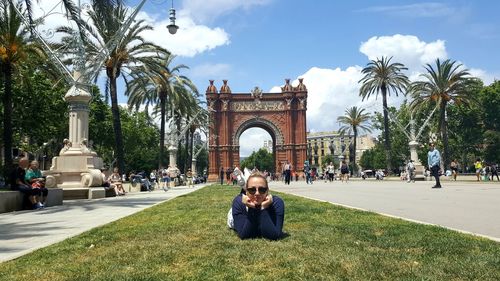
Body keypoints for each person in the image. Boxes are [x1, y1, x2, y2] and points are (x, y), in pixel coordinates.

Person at [231, 173, 285, 240]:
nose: (257, 193)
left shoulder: (277, 203)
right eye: (252, 190)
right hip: (235, 217)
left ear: (267, 191)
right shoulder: (238, 202)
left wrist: (263, 207)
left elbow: (275, 235)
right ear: (246, 191)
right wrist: (251, 207)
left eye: (262, 189)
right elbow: (244, 234)